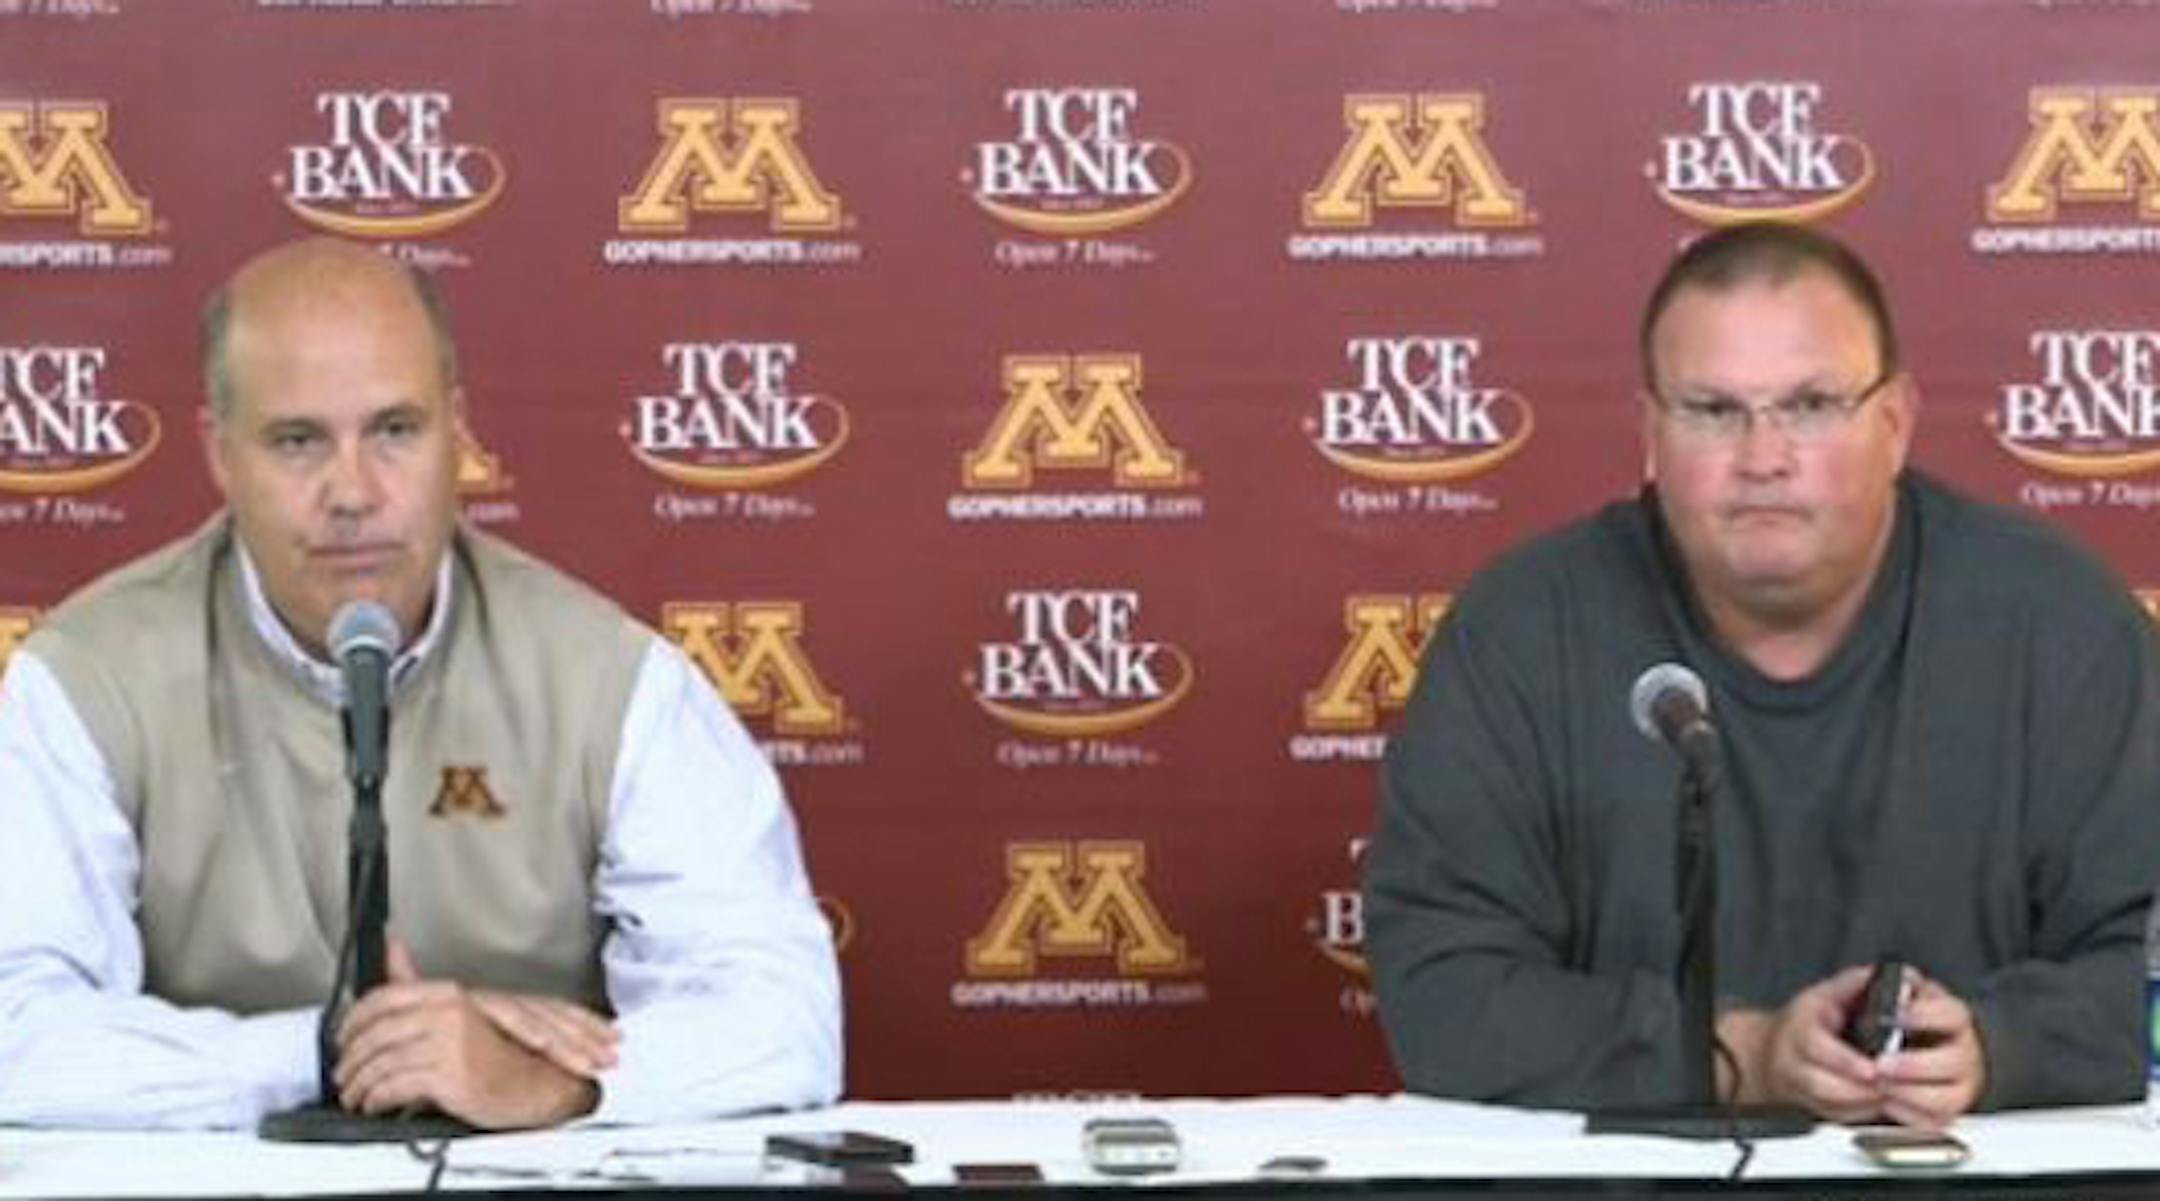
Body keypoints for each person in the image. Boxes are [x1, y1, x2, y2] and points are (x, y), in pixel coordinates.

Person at [0, 238, 842, 1130]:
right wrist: (327, 1051)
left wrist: (542, 1080)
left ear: (459, 431)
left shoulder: (607, 676)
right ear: (220, 453)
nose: (353, 490)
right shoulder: (87, 679)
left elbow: (785, 1018)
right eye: (297, 441)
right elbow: (14, 1033)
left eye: (396, 430)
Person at [1363, 221, 2160, 1130]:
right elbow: (1444, 992)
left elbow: (2140, 960)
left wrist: (1998, 1045)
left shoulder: (2061, 623)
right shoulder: (1522, 631)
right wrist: (1747, 1056)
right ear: (1650, 434)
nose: (1764, 458)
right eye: (1713, 410)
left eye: (1812, 404)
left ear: (1895, 423)